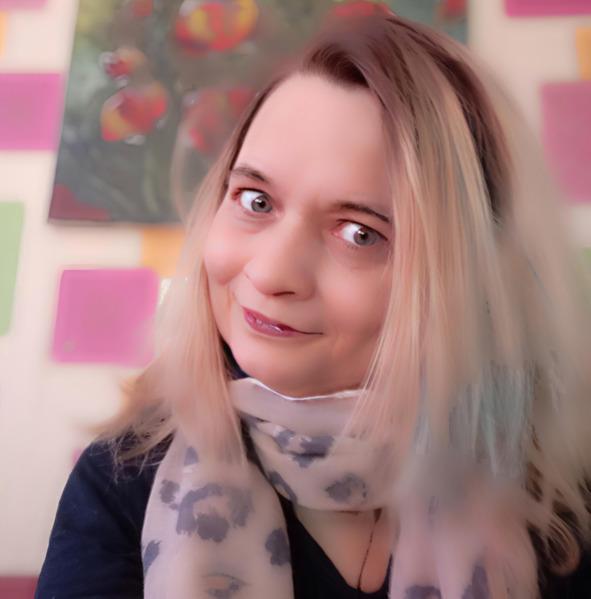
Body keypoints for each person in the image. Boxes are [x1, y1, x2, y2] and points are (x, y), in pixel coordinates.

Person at [36, 10, 591, 599]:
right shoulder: (121, 479)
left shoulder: (558, 513)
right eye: (255, 200)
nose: (270, 272)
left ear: (466, 280)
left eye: (359, 233)